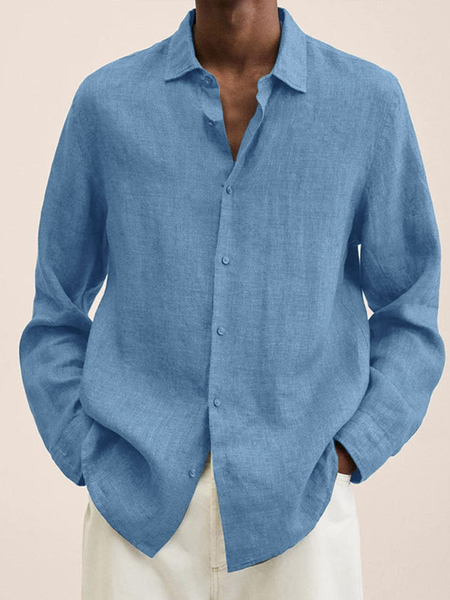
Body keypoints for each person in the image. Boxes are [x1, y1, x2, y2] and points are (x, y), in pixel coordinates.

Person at [18, 2, 445, 599]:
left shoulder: (368, 103)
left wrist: (352, 449)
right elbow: (56, 307)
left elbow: (410, 308)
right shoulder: (106, 105)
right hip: (134, 517)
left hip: (301, 511)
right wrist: (86, 452)